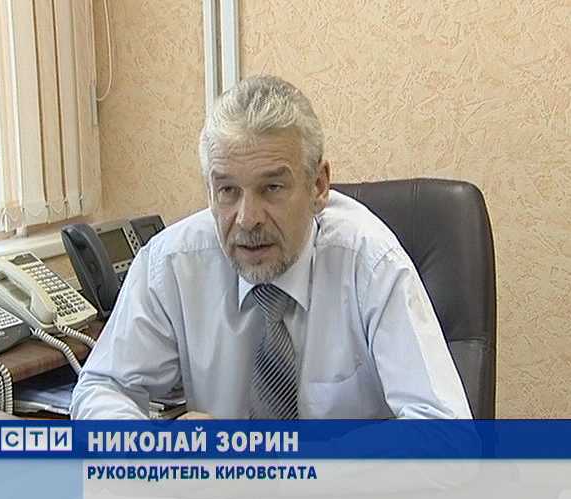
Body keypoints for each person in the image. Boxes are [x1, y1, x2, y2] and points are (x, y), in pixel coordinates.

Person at [71, 75, 472, 420]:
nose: (247, 219)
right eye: (228, 190)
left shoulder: (370, 263)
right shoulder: (173, 264)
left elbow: (444, 432)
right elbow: (101, 389)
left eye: (272, 188)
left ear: (318, 186)